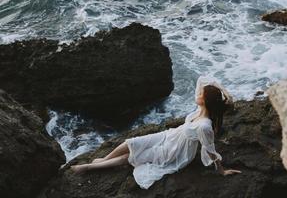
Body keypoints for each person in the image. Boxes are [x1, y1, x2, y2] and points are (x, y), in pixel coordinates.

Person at [70, 76, 242, 189]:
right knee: (131, 142)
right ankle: (105, 159)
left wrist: (221, 170)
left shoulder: (205, 125)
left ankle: (88, 167)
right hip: (170, 135)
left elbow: (210, 150)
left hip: (175, 152)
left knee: (129, 158)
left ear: (205, 100)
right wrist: (223, 94)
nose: (198, 92)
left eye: (202, 93)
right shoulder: (201, 110)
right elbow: (203, 79)